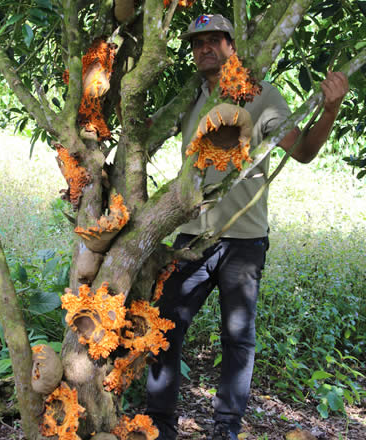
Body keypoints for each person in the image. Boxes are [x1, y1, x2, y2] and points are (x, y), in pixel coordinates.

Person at [146, 14, 349, 440]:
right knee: (163, 327)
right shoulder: (193, 99)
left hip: (244, 240)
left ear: (232, 45)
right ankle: (159, 425)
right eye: (198, 42)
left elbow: (306, 152)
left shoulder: (260, 97)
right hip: (193, 238)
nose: (205, 47)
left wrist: (330, 110)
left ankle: (226, 429)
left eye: (215, 39)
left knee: (238, 339)